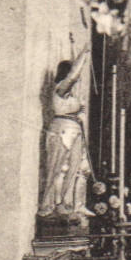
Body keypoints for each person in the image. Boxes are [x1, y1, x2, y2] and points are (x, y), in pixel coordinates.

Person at [38, 49, 91, 223]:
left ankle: (65, 205)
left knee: (74, 168)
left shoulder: (70, 94)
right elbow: (73, 77)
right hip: (61, 129)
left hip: (75, 130)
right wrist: (83, 56)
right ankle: (47, 206)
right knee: (56, 168)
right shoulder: (60, 88)